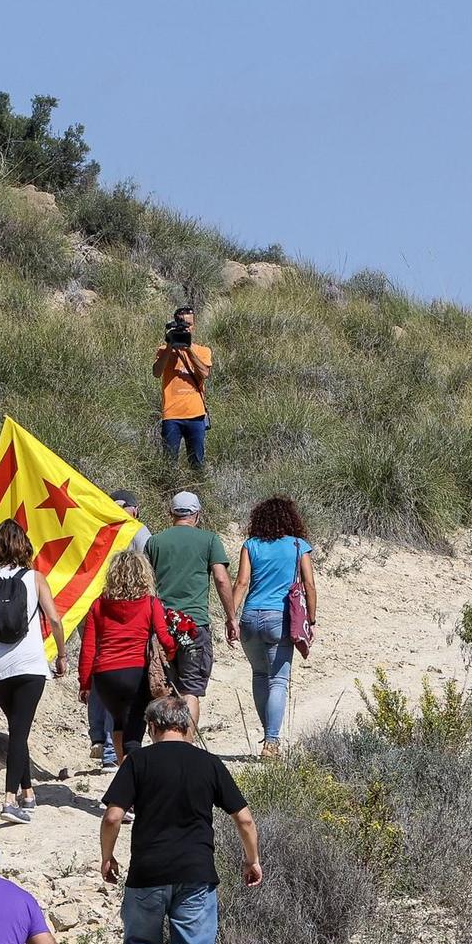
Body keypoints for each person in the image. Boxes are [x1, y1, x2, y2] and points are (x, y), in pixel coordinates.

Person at [99, 696, 261, 944]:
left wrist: (107, 857)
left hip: (147, 873)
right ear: (188, 726)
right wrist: (252, 860)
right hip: (196, 875)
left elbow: (112, 817)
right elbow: (245, 820)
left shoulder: (138, 761)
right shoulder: (209, 763)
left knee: (139, 943)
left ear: (153, 728)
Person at [0, 519, 69, 824]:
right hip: (30, 665)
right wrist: (62, 654)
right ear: (24, 546)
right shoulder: (36, 578)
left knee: (17, 729)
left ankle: (28, 792)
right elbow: (54, 619)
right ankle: (9, 800)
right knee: (19, 731)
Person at [142, 491, 237, 732]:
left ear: (171, 513)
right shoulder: (209, 540)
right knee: (190, 690)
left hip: (161, 626)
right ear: (196, 514)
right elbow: (221, 579)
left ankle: (164, 744)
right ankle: (187, 744)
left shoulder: (154, 542)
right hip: (194, 626)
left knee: (163, 687)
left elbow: (145, 583)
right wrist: (231, 617)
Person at [232, 495, 318, 757]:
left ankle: (269, 733)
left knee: (259, 675)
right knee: (278, 680)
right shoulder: (297, 546)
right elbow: (309, 585)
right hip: (278, 619)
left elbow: (242, 582)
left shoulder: (250, 545)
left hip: (250, 617)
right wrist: (311, 620)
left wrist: (230, 617)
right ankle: (272, 741)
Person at [79, 549, 171, 768]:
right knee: (134, 735)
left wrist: (84, 683)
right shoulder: (150, 603)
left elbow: (89, 648)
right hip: (136, 673)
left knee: (119, 723)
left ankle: (124, 778)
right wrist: (175, 653)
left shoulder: (98, 605)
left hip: (105, 677)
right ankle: (132, 784)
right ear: (143, 574)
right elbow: (164, 637)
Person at [90, 490, 153, 767]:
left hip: (101, 607)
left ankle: (104, 745)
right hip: (131, 614)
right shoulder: (139, 532)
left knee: (104, 672)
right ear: (136, 510)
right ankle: (117, 749)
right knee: (128, 679)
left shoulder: (98, 528)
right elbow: (149, 569)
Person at [152, 306, 214, 471]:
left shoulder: (203, 350)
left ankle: (197, 492)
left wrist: (188, 349)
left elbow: (204, 373)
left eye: (189, 325)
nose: (186, 328)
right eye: (182, 324)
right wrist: (169, 347)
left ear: (193, 326)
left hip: (196, 415)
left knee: (197, 464)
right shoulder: (163, 350)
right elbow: (157, 373)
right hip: (172, 415)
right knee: (169, 464)